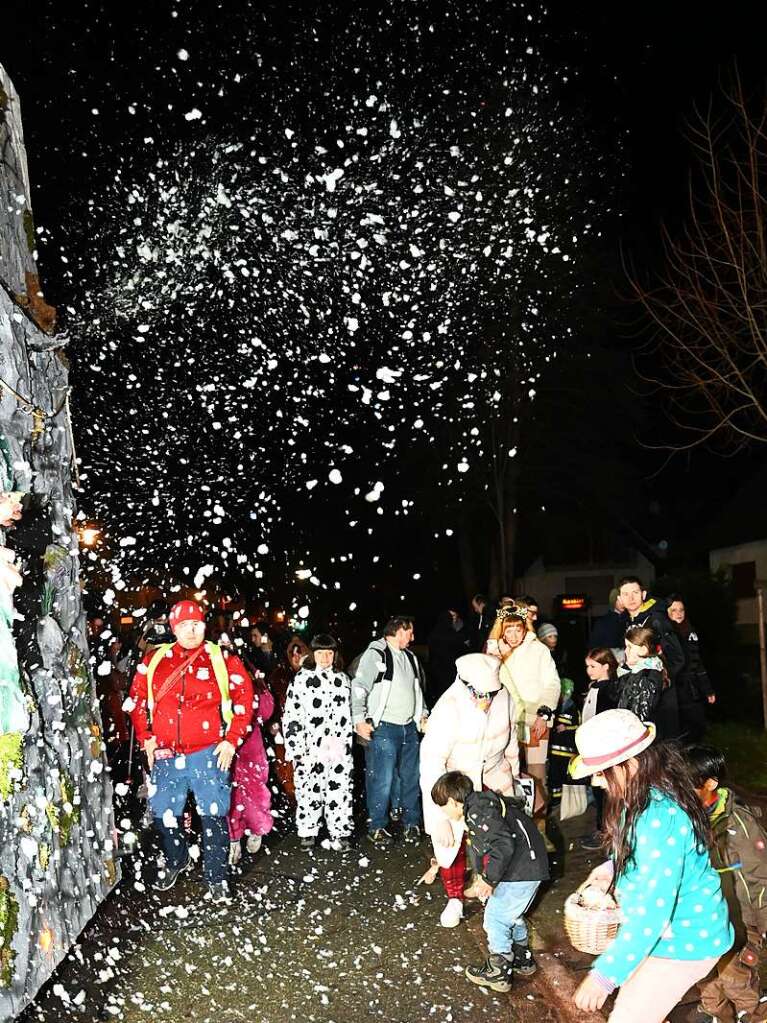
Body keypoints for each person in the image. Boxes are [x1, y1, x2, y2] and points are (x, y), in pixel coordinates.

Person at [570, 709, 733, 1022]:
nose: (596, 780)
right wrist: (608, 872)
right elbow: (640, 857)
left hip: (685, 939)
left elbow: (653, 913)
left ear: (630, 764)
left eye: (602, 771)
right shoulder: (646, 795)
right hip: (665, 934)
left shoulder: (659, 819)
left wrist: (604, 977)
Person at [128, 599, 254, 903]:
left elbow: (244, 698)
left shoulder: (222, 659)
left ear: (204, 626)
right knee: (163, 815)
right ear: (174, 628)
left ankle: (217, 877)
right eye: (184, 625)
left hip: (208, 753)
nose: (191, 630)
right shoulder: (155, 661)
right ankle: (177, 857)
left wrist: (231, 739)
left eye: (196, 624)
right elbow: (136, 700)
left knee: (213, 816)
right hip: (166, 755)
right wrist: (146, 737)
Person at [420, 653, 519, 929]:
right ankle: (454, 898)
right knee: (452, 843)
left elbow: (511, 744)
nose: (485, 700)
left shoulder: (505, 698)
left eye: (491, 693)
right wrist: (438, 817)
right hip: (456, 782)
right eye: (478, 693)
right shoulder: (448, 707)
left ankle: (492, 891)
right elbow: (430, 761)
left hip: (492, 777)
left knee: (495, 837)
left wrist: (516, 779)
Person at [431, 770, 548, 992]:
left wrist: (488, 879)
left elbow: (503, 845)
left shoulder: (478, 812)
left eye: (442, 805)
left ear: (454, 802)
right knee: (510, 915)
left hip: (522, 871)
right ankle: (522, 959)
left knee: (495, 918)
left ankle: (499, 971)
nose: (442, 811)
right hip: (529, 867)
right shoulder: (481, 806)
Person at [685, 745, 767, 1023]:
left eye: (689, 786)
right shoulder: (687, 819)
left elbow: (760, 877)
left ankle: (754, 1014)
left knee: (737, 981)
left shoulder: (739, 824)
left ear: (710, 783)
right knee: (704, 973)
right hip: (706, 916)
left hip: (741, 921)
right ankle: (713, 1010)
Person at [488, 604, 560, 852]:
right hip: (506, 723)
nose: (513, 635)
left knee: (537, 775)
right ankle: (514, 828)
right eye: (508, 630)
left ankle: (539, 830)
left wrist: (544, 713)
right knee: (508, 773)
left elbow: (552, 683)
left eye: (517, 629)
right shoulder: (496, 654)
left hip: (536, 720)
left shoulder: (538, 650)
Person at [351, 615, 428, 848]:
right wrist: (359, 719)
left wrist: (422, 713)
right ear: (399, 630)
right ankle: (377, 826)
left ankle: (411, 823)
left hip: (409, 728)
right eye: (410, 632)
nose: (413, 637)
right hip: (384, 727)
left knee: (411, 777)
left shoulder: (411, 657)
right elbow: (359, 686)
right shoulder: (376, 654)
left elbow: (417, 689)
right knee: (381, 779)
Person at [283, 634, 354, 851]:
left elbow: (349, 714)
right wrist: (296, 746)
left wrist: (347, 744)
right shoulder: (301, 680)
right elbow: (292, 715)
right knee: (309, 789)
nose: (325, 658)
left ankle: (340, 831)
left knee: (340, 790)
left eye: (329, 653)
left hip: (338, 745)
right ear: (313, 654)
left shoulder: (343, 680)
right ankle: (308, 830)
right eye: (321, 653)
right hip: (310, 746)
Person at [618, 577, 684, 738]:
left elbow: (678, 658)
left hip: (659, 700)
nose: (631, 598)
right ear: (619, 599)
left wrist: (658, 680)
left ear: (644, 594)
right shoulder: (627, 622)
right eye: (625, 594)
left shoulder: (656, 620)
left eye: (635, 592)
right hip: (638, 694)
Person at [227, 668, 274, 864]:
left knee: (255, 792)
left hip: (250, 746)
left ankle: (257, 828)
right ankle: (233, 837)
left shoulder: (249, 678)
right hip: (224, 747)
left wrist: (257, 688)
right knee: (229, 795)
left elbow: (266, 709)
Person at [579, 648, 619, 851]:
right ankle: (602, 829)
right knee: (598, 792)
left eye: (593, 666)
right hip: (592, 746)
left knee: (605, 793)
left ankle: (607, 832)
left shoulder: (609, 690)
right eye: (587, 666)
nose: (589, 670)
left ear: (606, 666)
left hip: (604, 748)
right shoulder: (594, 687)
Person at [266, 637, 309, 805]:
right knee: (286, 769)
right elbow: (273, 703)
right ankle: (293, 800)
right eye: (293, 653)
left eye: (300, 652)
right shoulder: (279, 676)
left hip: (307, 732)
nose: (296, 657)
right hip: (284, 731)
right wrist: (274, 723)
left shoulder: (313, 675)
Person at [667, 595, 716, 743]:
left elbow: (698, 664)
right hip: (674, 691)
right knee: (679, 731)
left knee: (697, 727)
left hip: (692, 689)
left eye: (681, 609)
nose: (678, 613)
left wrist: (708, 690)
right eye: (674, 610)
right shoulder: (665, 634)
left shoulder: (690, 632)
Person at [609, 625, 665, 733]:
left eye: (629, 647)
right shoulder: (634, 672)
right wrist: (626, 668)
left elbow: (640, 717)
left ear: (643, 650)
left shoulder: (647, 677)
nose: (625, 651)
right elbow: (615, 695)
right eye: (625, 647)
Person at [426, 609, 470, 704]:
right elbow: (464, 651)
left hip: (437, 671)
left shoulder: (433, 634)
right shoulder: (454, 635)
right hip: (451, 671)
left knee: (441, 696)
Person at [589, 588, 626, 657]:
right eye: (618, 599)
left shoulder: (631, 619)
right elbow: (594, 648)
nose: (622, 602)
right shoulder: (601, 623)